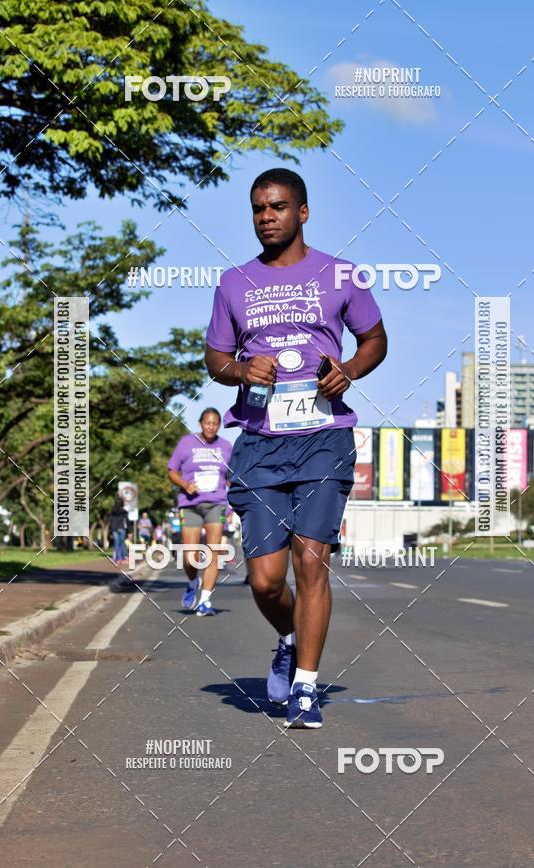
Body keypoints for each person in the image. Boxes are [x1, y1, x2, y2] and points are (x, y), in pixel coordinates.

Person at [205, 168, 387, 728]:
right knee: (265, 579)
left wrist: (349, 370)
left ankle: (306, 688)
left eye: (278, 207)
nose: (267, 217)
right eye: (259, 209)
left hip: (324, 440)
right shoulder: (234, 283)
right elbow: (214, 360)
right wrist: (240, 367)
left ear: (302, 212)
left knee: (313, 566)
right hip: (259, 442)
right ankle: (288, 636)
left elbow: (375, 338)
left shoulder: (340, 274)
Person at [167, 408, 233, 616]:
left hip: (216, 503)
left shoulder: (226, 447)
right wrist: (185, 485)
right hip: (190, 503)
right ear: (200, 423)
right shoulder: (186, 443)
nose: (211, 427)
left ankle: (205, 600)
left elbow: (232, 476)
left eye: (215, 423)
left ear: (219, 425)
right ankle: (192, 581)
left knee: (213, 552)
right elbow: (171, 471)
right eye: (207, 423)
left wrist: (231, 494)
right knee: (190, 557)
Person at [109, 495, 129, 566]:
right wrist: (129, 530)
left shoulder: (112, 511)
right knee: (122, 543)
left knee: (116, 544)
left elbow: (110, 521)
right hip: (121, 528)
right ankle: (123, 558)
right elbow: (127, 521)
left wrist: (110, 530)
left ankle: (117, 559)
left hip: (114, 528)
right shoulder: (124, 511)